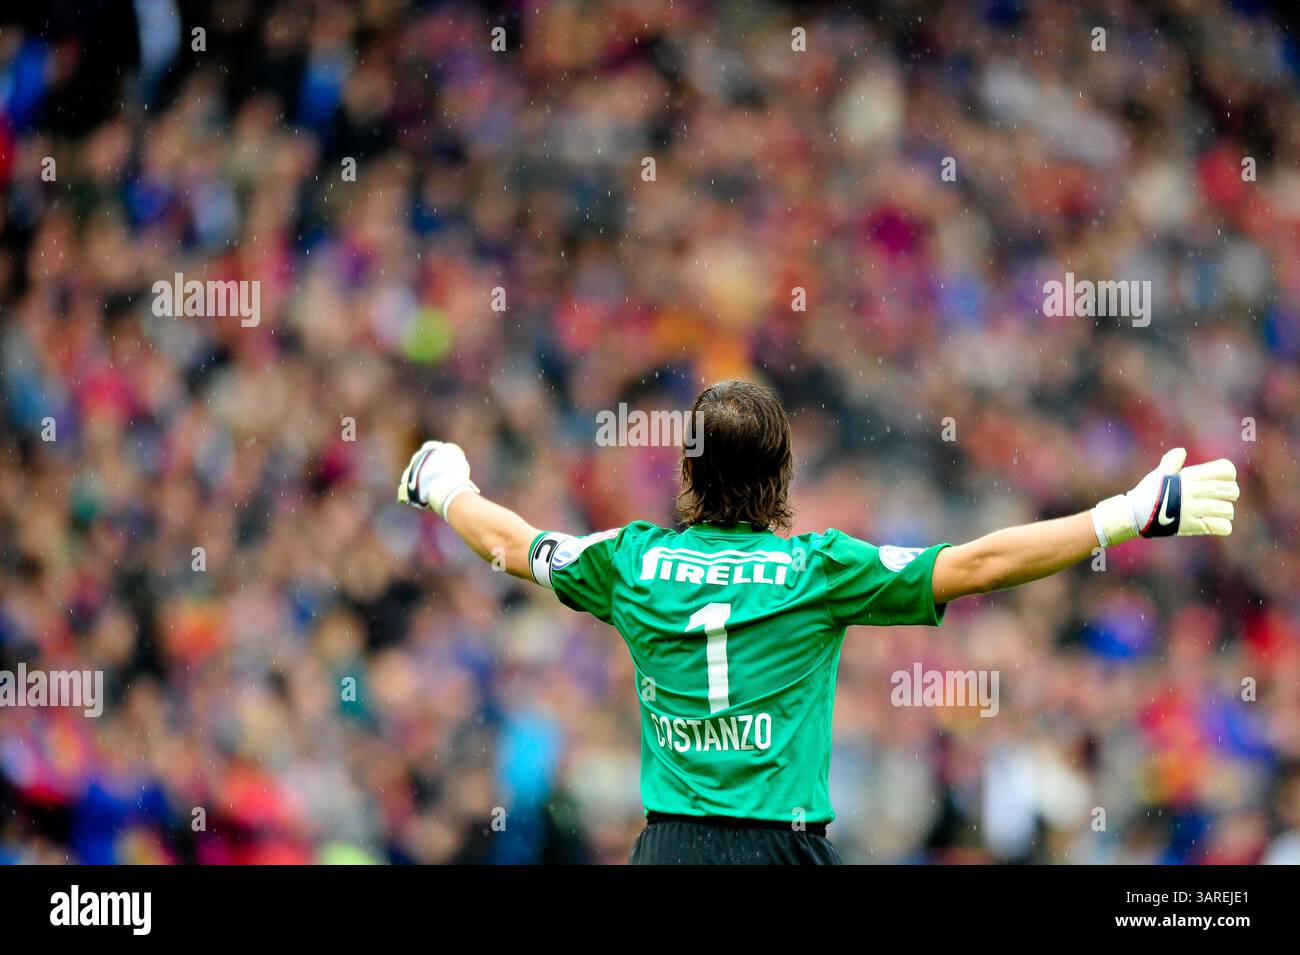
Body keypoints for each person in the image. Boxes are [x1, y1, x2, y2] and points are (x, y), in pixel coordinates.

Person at [397, 380, 1240, 864]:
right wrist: (1126, 514)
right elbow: (979, 562)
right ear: (782, 473)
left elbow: (511, 544)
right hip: (780, 852)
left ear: (688, 470)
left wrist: (444, 485)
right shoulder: (817, 569)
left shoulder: (630, 560)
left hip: (670, 853)